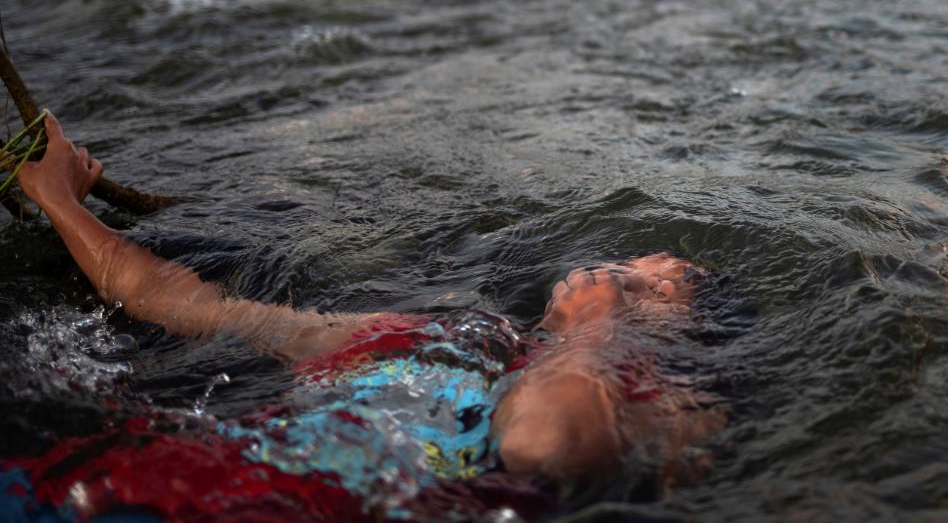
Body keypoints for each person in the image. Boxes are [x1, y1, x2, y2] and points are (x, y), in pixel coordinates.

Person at [3, 112, 720, 520]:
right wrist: (58, 198)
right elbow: (182, 303)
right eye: (628, 270)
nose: (626, 278)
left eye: (663, 287)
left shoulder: (670, 412)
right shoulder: (440, 337)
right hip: (115, 489)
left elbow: (549, 449)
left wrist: (595, 327)